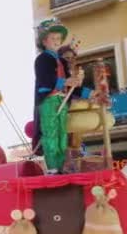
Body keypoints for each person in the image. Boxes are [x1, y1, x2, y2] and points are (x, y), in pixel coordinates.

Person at [32, 19, 97, 174]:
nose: (56, 41)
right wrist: (65, 81)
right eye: (53, 38)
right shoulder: (41, 60)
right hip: (49, 101)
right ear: (44, 41)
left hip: (63, 101)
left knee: (62, 137)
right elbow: (45, 80)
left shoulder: (61, 60)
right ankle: (53, 168)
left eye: (58, 39)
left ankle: (60, 167)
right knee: (51, 134)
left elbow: (72, 87)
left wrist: (90, 93)